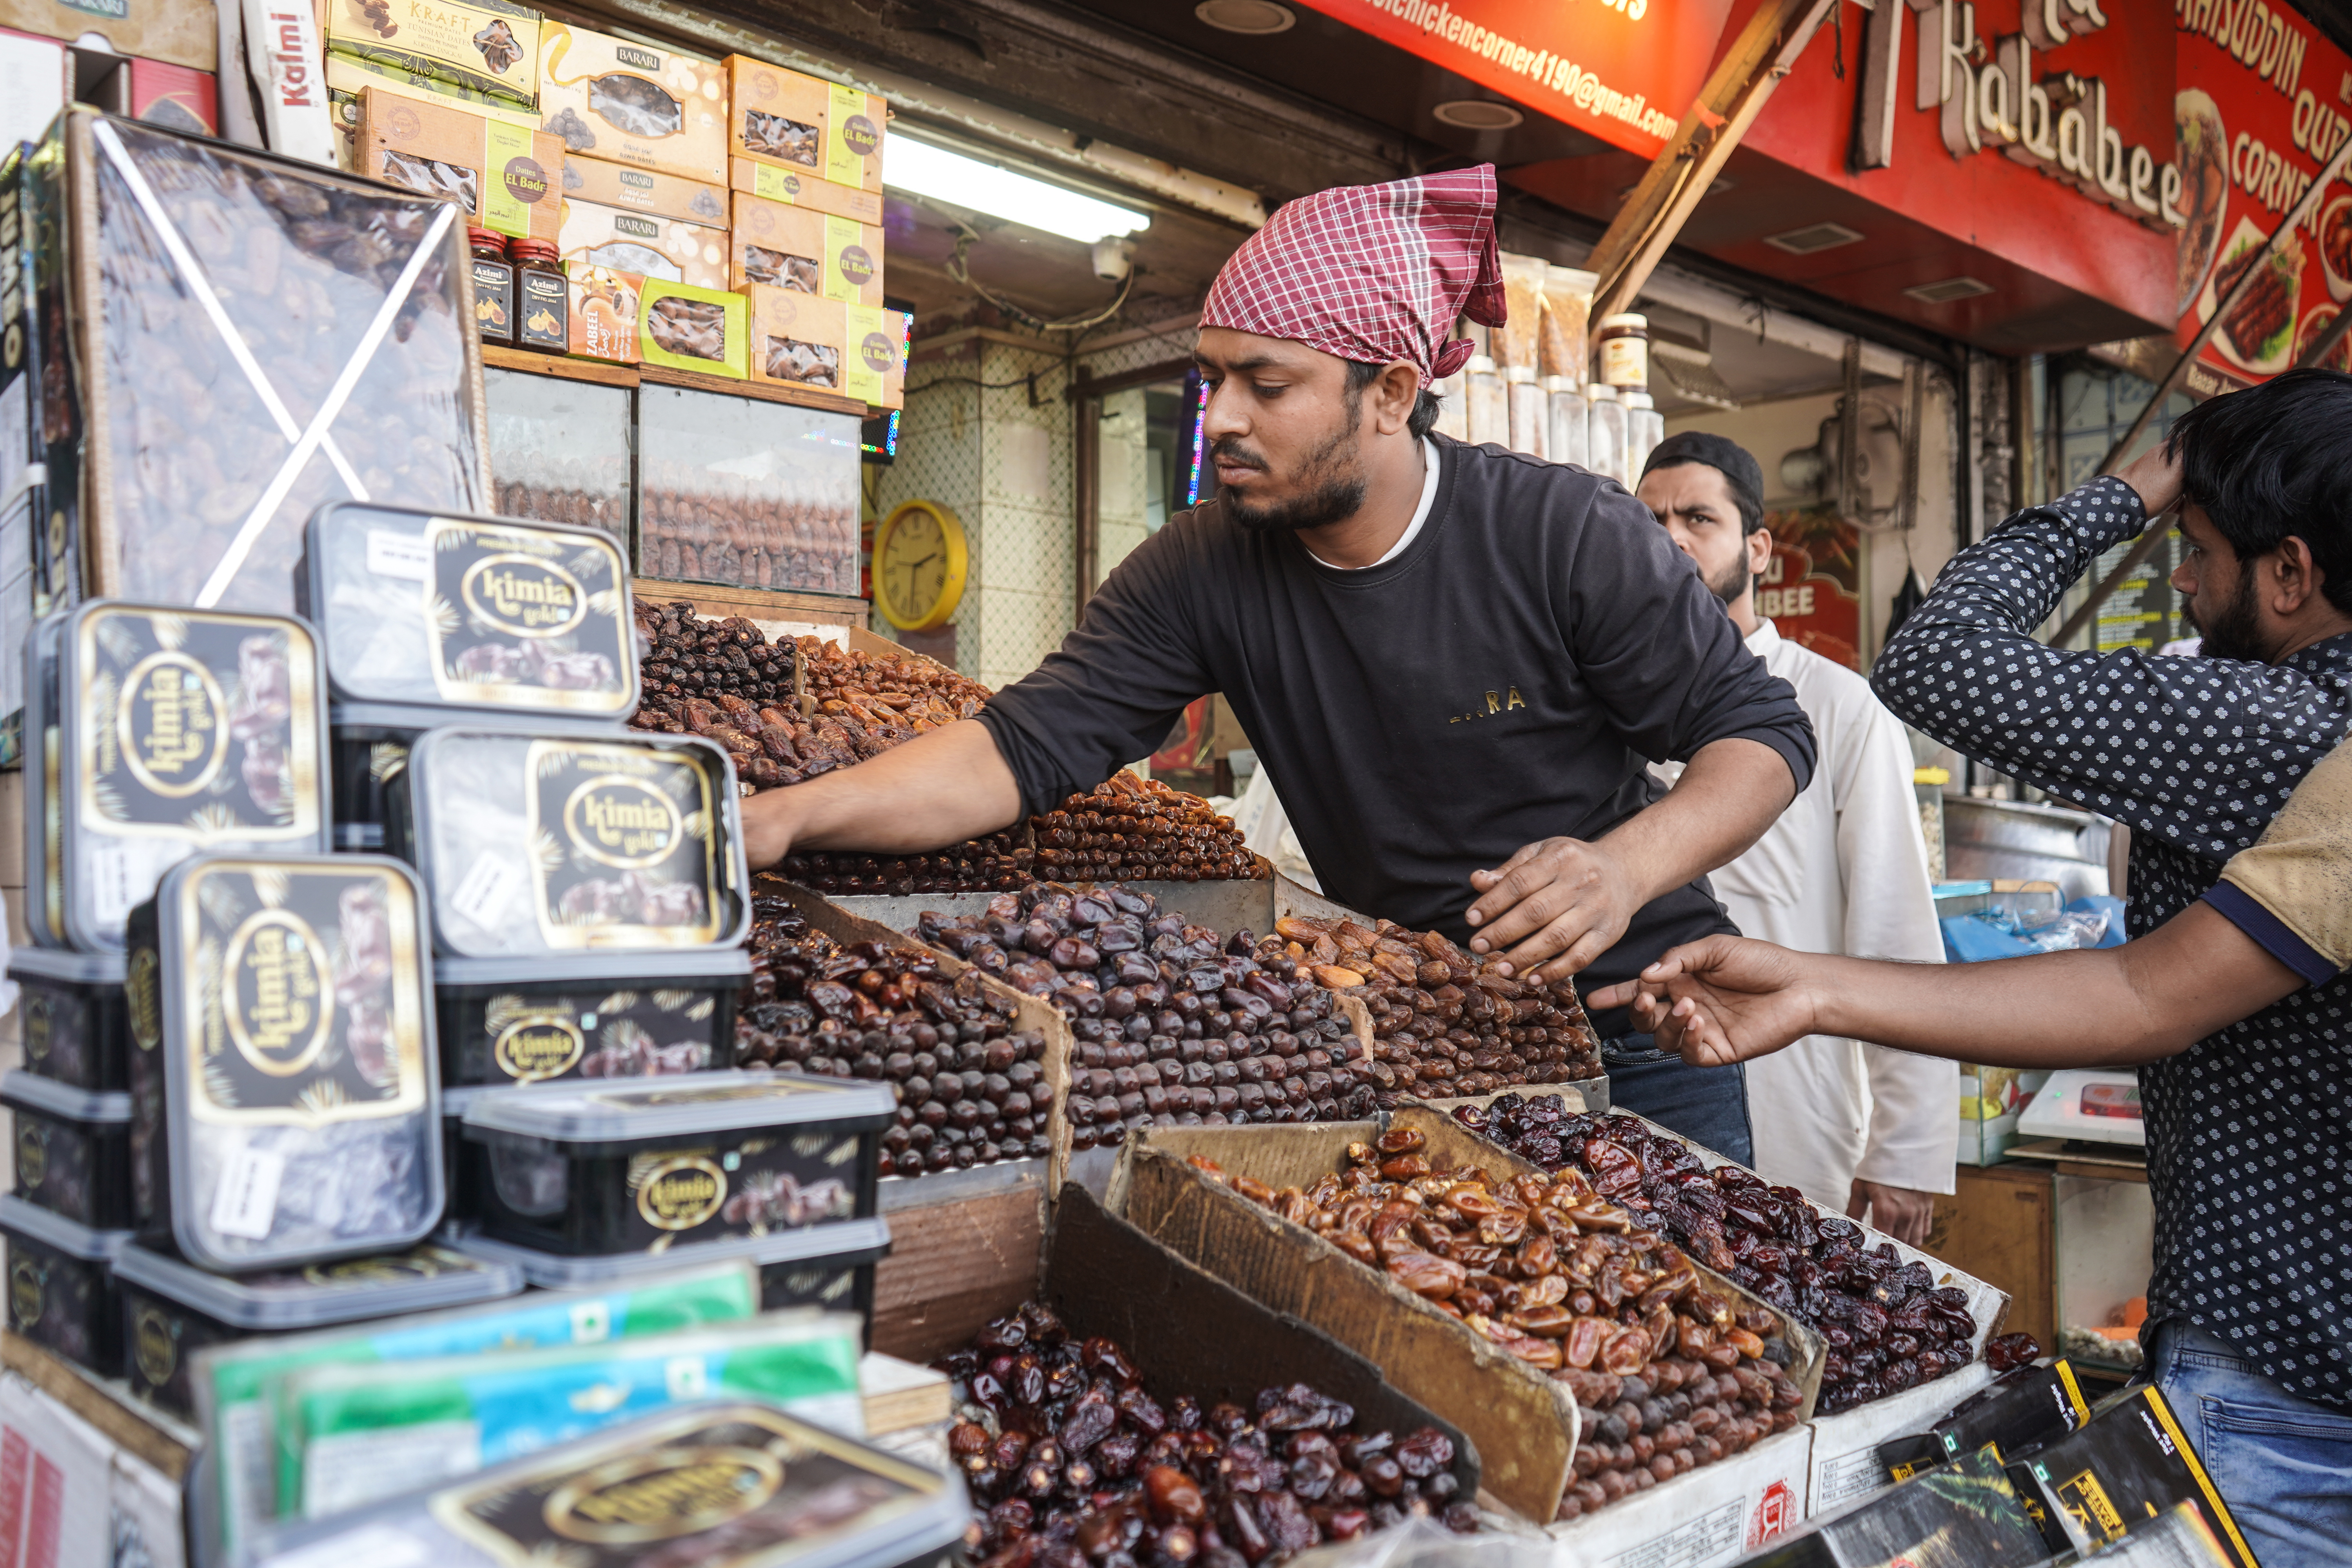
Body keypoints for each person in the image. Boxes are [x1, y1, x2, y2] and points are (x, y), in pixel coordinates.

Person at [740, 167, 1818, 1160]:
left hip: (1641, 1029)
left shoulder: (1560, 532)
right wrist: (786, 818)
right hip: (1409, 1030)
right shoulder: (1203, 566)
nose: (1223, 419)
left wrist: (1622, 869)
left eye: (1268, 383)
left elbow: (1763, 734)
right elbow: (1015, 752)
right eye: (1214, 378)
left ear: (1390, 392)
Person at [1590, 730, 2352, 1565]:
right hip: (2288, 1360)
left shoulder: (2268, 719)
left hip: (2288, 1371)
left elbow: (2145, 992)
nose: (2180, 589)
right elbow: (2143, 991)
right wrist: (1812, 990)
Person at [1635, 433, 1952, 1242]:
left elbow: (1895, 924)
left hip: (1794, 1096)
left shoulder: (1837, 704)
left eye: (1698, 518)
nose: (1670, 538)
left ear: (1758, 549)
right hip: (1639, 1090)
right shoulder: (1611, 705)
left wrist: (1908, 1146)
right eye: (1650, 520)